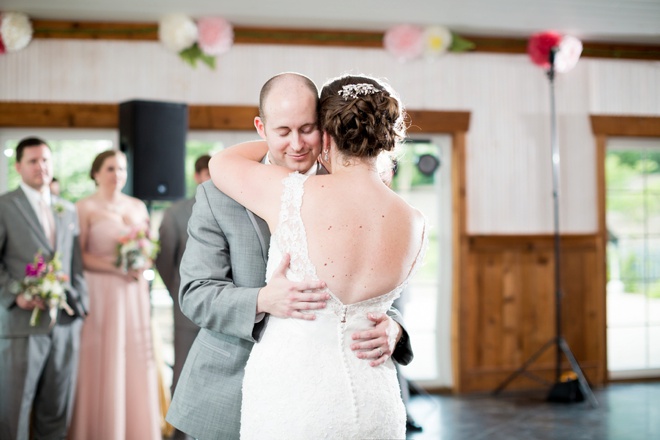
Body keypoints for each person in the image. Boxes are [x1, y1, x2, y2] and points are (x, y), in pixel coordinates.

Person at [166, 72, 414, 440]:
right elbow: (195, 294)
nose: (297, 144)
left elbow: (374, 283)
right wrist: (263, 299)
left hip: (322, 395)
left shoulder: (355, 186)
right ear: (260, 127)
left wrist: (394, 328)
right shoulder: (217, 196)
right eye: (282, 131)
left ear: (325, 128)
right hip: (228, 388)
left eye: (307, 128)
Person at [0, 137, 88, 440]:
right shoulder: (4, 206)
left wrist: (81, 305)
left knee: (56, 411)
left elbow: (75, 263)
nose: (41, 167)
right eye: (33, 161)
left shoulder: (67, 209)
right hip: (22, 325)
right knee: (15, 413)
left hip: (64, 324)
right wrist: (16, 294)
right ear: (19, 167)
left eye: (46, 160)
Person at [69, 150, 161, 440]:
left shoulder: (138, 207)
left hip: (132, 294)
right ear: (96, 173)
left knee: (132, 355)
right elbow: (78, 256)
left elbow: (149, 249)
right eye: (110, 168)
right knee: (100, 355)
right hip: (100, 293)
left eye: (121, 169)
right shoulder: (84, 208)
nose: (117, 174)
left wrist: (143, 262)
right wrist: (118, 266)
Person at [155, 154, 211, 440]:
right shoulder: (175, 213)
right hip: (186, 309)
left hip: (223, 314)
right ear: (198, 175)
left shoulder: (237, 206)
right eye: (207, 174)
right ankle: (179, 434)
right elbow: (164, 262)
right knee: (183, 372)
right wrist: (180, 293)